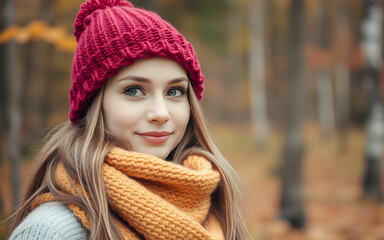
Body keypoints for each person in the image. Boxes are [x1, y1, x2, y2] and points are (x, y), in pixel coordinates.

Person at [9, 0, 249, 239]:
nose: (161, 113)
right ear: (94, 104)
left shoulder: (214, 209)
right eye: (134, 90)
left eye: (174, 91)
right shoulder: (51, 231)